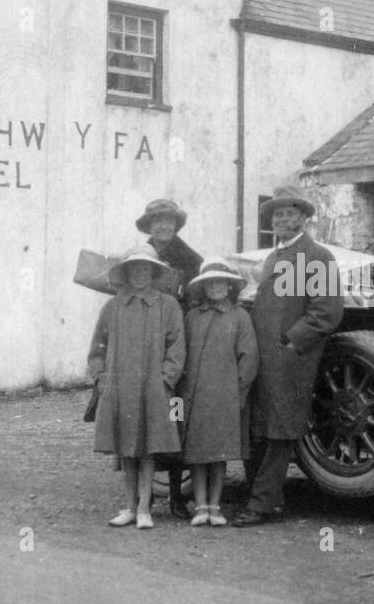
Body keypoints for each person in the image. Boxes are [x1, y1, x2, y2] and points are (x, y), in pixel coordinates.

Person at [231, 187, 343, 527]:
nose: (282, 218)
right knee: (257, 427)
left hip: (291, 359)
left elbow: (326, 313)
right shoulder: (272, 258)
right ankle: (271, 499)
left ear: (304, 219)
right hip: (261, 358)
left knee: (281, 430)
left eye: (290, 213)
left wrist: (291, 344)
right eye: (277, 214)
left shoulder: (318, 257)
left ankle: (261, 504)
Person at [87, 244, 185, 530]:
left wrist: (166, 378)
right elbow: (97, 348)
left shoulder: (168, 306)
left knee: (148, 449)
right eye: (135, 269)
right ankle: (130, 506)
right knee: (126, 450)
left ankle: (145, 509)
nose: (140, 274)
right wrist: (102, 378)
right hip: (120, 387)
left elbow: (177, 347)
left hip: (154, 387)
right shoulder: (114, 306)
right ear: (127, 273)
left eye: (145, 269)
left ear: (153, 273)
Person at [178, 258, 259, 527]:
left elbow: (249, 359)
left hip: (226, 396)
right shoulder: (192, 316)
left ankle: (215, 505)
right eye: (210, 283)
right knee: (198, 453)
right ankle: (200, 505)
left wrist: (239, 392)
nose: (216, 287)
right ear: (203, 287)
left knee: (219, 454)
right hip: (195, 395)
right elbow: (182, 354)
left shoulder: (240, 317)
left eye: (221, 282)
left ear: (230, 286)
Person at [135, 198, 202, 519]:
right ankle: (140, 497)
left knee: (175, 419)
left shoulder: (190, 260)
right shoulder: (137, 257)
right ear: (149, 226)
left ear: (176, 225)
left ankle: (177, 496)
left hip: (176, 351)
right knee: (140, 421)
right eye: (157, 221)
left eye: (169, 221)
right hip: (141, 353)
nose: (163, 226)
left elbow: (196, 302)